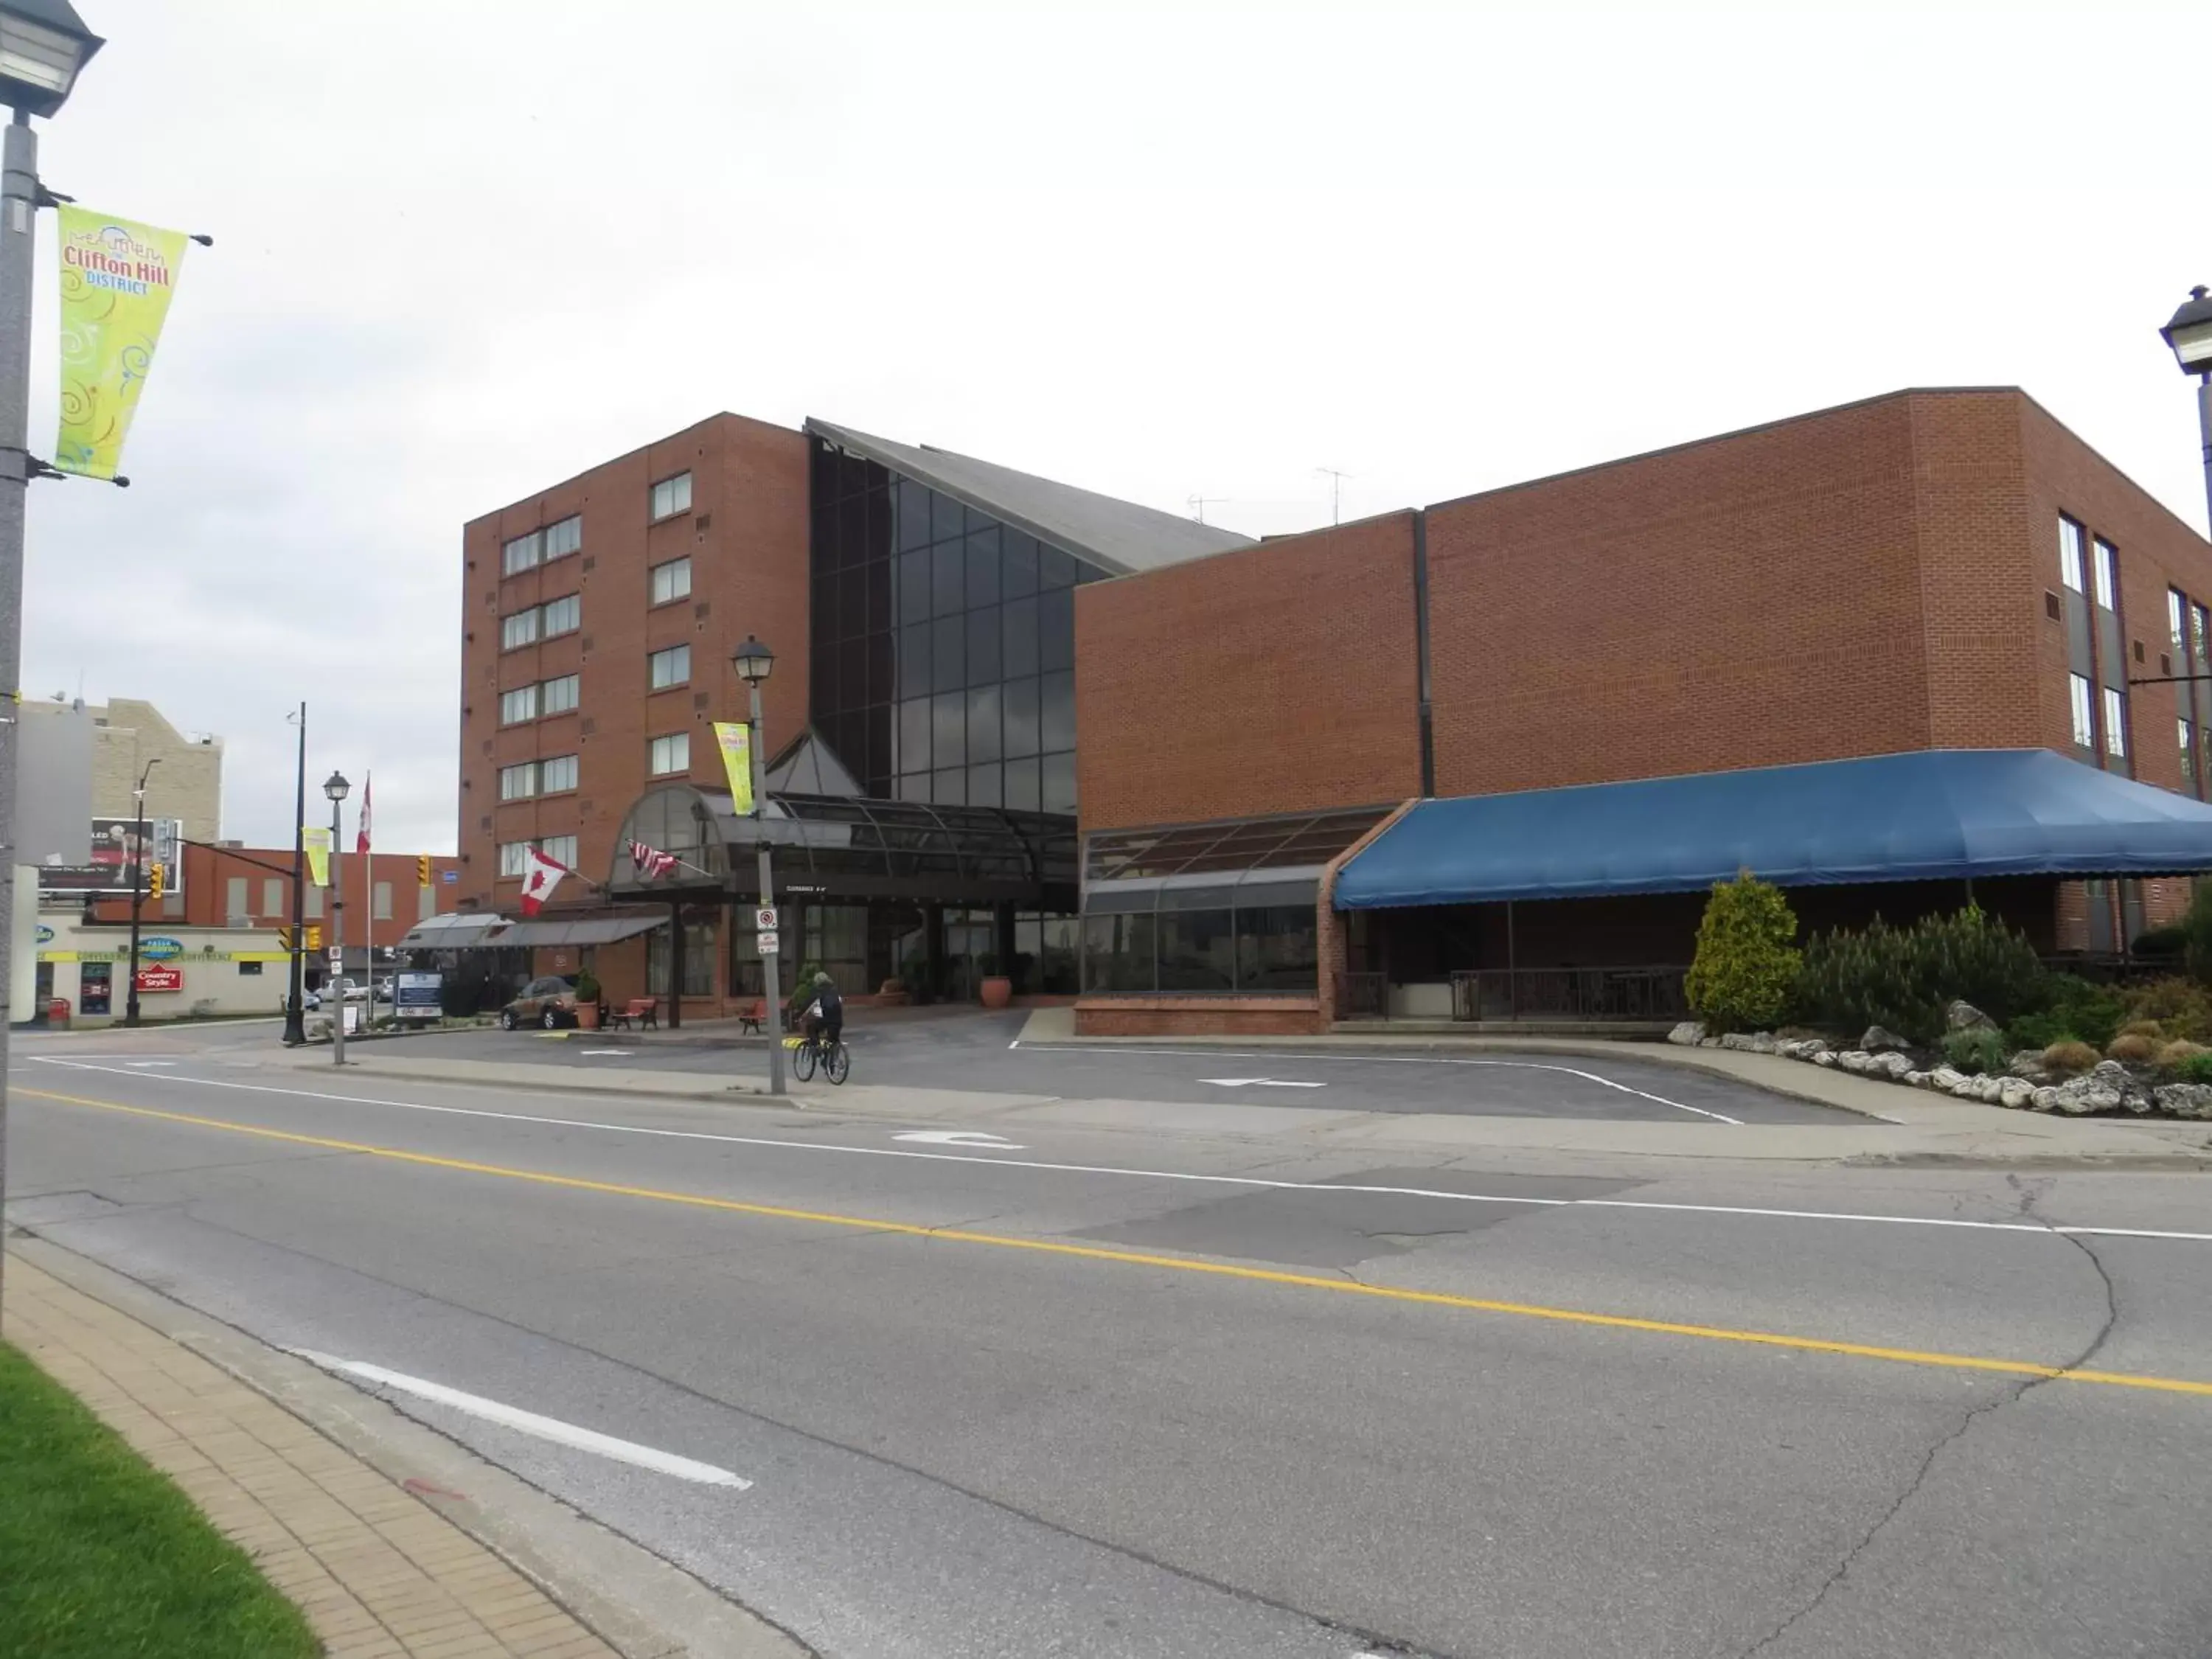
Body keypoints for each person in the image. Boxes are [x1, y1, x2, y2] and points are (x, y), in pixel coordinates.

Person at [800, 969, 843, 1053]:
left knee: (812, 1028)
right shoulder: (834, 989)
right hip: (839, 1020)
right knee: (833, 1040)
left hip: (827, 1019)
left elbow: (808, 1004)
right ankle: (833, 1058)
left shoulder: (818, 991)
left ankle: (816, 1047)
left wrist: (799, 1014)